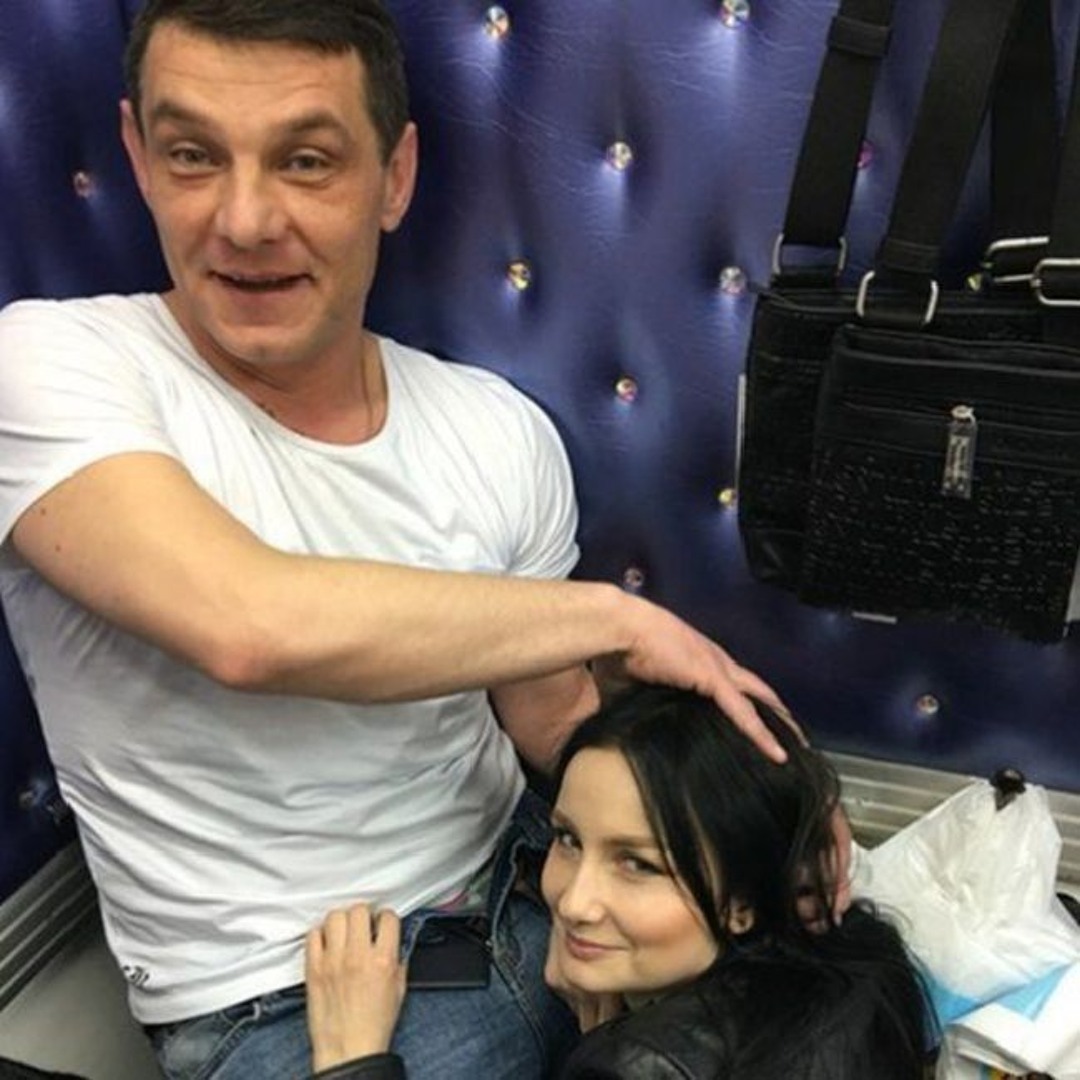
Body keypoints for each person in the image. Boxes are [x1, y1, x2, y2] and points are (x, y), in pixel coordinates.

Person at [0, 2, 789, 1078]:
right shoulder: (50, 367)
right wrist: (614, 618)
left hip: (543, 886)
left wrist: (757, 831)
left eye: (306, 161)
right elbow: (247, 625)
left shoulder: (494, 428)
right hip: (286, 1004)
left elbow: (554, 723)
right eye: (193, 156)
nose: (244, 220)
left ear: (394, 177)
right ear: (137, 155)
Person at [304, 685, 930, 1079]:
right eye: (569, 839)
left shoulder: (637, 1066)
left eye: (638, 865)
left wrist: (352, 1056)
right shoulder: (871, 974)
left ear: (742, 902)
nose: (575, 903)